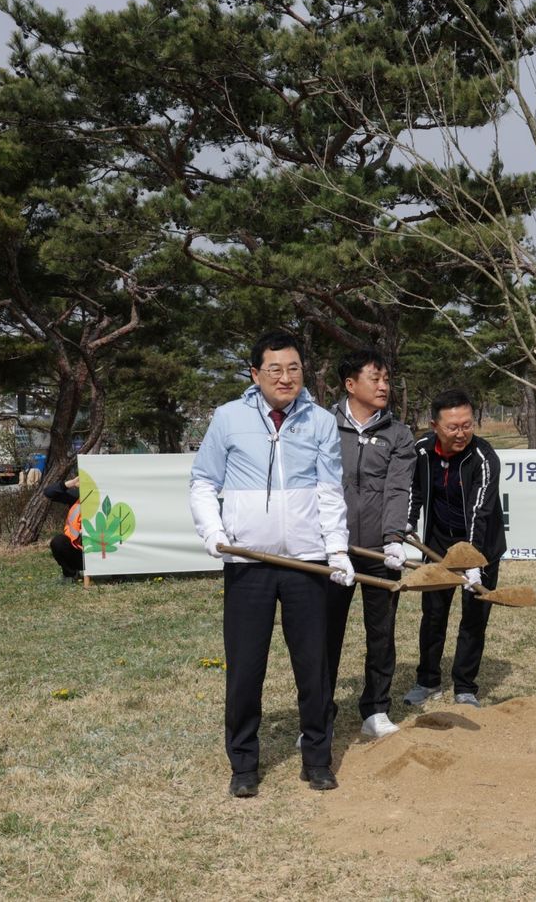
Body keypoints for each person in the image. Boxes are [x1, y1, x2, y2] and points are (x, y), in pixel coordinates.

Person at [189, 330, 356, 798]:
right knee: (246, 668)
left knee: (315, 667)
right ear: (255, 373)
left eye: (294, 368)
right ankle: (243, 763)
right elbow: (203, 482)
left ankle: (317, 759)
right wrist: (214, 532)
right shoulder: (228, 419)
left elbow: (329, 492)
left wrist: (337, 548)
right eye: (275, 369)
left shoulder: (320, 421)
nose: (286, 377)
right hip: (249, 562)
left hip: (307, 562)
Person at [329, 349, 415, 741]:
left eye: (386, 380)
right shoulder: (324, 427)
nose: (384, 386)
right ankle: (318, 714)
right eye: (375, 379)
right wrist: (330, 544)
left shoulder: (397, 434)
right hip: (333, 550)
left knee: (381, 632)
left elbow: (399, 489)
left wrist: (394, 538)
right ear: (350, 384)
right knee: (323, 633)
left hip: (381, 553)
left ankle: (376, 709)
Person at [404, 389, 506, 709]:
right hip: (438, 542)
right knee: (433, 613)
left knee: (474, 615)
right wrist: (405, 524)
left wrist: (472, 558)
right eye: (452, 427)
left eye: (467, 425)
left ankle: (465, 686)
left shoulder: (484, 458)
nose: (461, 433)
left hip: (481, 544)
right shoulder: (421, 450)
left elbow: (480, 511)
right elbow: (413, 490)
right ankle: (428, 681)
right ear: (434, 425)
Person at [42, 475, 84, 580]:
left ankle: (119, 574)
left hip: (106, 551)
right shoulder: (77, 496)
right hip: (80, 551)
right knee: (58, 542)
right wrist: (71, 483)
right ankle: (71, 574)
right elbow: (49, 493)